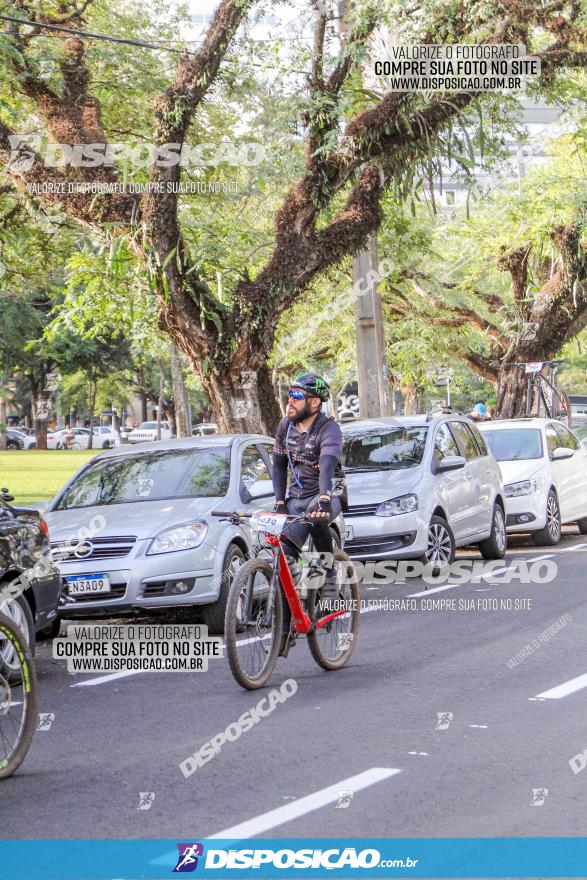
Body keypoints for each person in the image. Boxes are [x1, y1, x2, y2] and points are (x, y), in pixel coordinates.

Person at [273, 372, 347, 647]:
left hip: (330, 492)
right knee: (283, 554)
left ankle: (328, 577)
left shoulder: (329, 429)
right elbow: (279, 465)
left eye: (296, 397)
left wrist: (325, 497)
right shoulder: (285, 426)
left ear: (314, 403)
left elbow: (328, 464)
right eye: (289, 395)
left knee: (319, 517)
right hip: (297, 496)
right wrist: (280, 502)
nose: (289, 402)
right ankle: (287, 626)